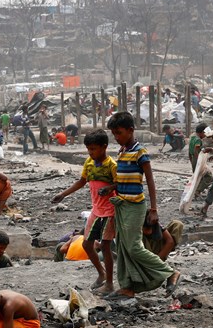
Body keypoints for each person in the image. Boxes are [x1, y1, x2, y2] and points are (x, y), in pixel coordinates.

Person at [106, 112, 181, 299]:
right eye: (114, 134)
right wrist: (111, 188)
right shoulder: (122, 152)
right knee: (122, 247)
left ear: (131, 130)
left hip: (134, 206)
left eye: (119, 133)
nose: (116, 137)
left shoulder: (140, 152)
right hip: (121, 205)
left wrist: (154, 209)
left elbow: (149, 181)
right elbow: (125, 180)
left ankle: (169, 272)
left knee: (133, 247)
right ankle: (127, 286)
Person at [51, 129, 117, 293]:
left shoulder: (112, 165)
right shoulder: (88, 163)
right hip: (96, 210)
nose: (91, 152)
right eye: (89, 149)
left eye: (93, 149)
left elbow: (121, 185)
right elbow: (81, 182)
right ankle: (101, 272)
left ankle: (109, 283)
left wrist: (109, 188)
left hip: (109, 211)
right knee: (87, 244)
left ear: (104, 147)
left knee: (106, 247)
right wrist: (63, 194)